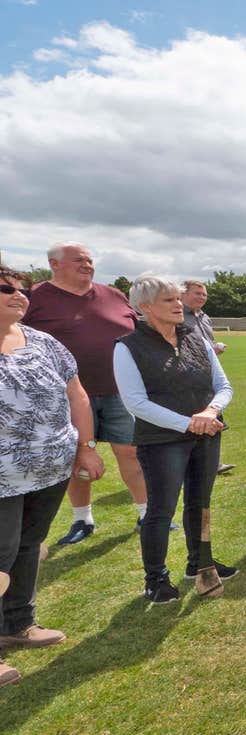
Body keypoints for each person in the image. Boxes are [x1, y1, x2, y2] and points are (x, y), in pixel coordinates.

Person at [0, 265, 105, 687]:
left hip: (49, 468)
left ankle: (18, 623)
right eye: (6, 289)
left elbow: (76, 395)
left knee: (27, 546)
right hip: (3, 474)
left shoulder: (44, 343)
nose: (18, 295)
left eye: (22, 290)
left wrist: (86, 446)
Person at [114, 276, 235, 603]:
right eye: (168, 300)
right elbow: (136, 403)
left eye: (177, 298)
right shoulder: (127, 347)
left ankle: (199, 562)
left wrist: (210, 413)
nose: (178, 304)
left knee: (200, 501)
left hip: (206, 433)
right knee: (161, 510)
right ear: (145, 307)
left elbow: (224, 386)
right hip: (161, 440)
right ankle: (156, 578)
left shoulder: (197, 337)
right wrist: (189, 424)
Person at [22, 242, 149, 544]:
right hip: (64, 395)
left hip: (120, 390)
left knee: (132, 451)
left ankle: (148, 513)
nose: (87, 265)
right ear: (54, 264)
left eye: (90, 260)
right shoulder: (34, 297)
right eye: (79, 260)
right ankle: (83, 520)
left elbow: (138, 330)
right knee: (76, 457)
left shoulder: (113, 295)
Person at [181, 280, 236, 475]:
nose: (202, 297)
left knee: (213, 414)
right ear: (183, 294)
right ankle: (188, 464)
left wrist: (214, 348)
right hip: (186, 377)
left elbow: (205, 343)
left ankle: (213, 462)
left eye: (204, 294)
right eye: (197, 293)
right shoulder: (177, 316)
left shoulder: (204, 317)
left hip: (208, 374)